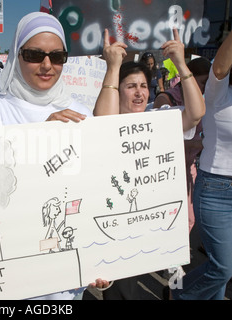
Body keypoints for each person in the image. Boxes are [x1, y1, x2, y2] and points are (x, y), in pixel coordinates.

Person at [0, 12, 109, 299]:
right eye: (35, 54)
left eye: (57, 57)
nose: (47, 65)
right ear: (16, 55)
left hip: (66, 274)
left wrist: (104, 256)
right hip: (11, 263)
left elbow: (96, 189)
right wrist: (40, 137)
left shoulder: (79, 112)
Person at [93, 28, 205, 299]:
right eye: (130, 86)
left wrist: (181, 63)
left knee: (162, 285)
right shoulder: (108, 119)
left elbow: (196, 113)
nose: (139, 93)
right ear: (117, 89)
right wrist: (113, 67)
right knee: (121, 291)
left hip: (155, 224)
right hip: (117, 224)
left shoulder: (160, 118)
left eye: (144, 86)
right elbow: (102, 122)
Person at [171, 30, 232, 301]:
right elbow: (219, 67)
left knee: (219, 266)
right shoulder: (218, 90)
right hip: (216, 189)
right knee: (222, 269)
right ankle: (180, 295)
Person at [154, 57, 212, 233]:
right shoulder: (167, 98)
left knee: (189, 218)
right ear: (190, 79)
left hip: (190, 168)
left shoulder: (206, 100)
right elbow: (163, 140)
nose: (206, 88)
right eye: (203, 82)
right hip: (166, 171)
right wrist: (203, 143)